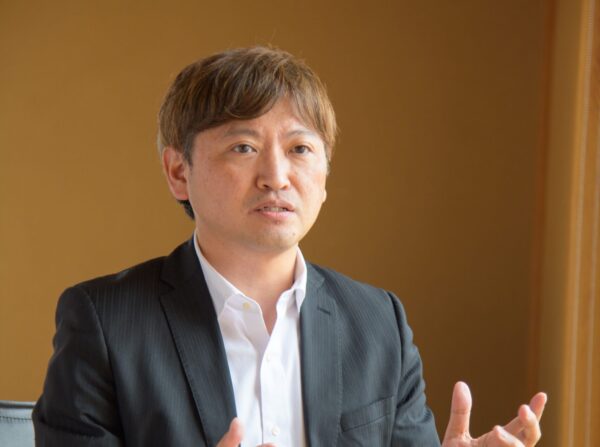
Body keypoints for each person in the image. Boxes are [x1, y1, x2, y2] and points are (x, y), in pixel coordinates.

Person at [33, 46, 546, 447]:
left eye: (300, 148)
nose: (276, 176)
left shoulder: (378, 324)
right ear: (178, 172)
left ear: (324, 176)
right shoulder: (105, 322)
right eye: (243, 147)